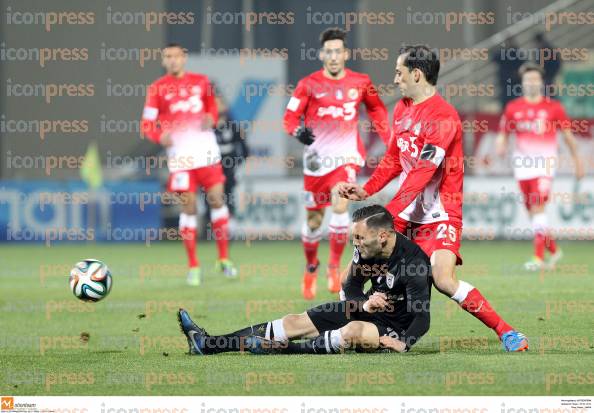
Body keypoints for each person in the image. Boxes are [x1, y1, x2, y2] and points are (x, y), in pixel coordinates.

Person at [338, 45, 528, 352]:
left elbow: (423, 173)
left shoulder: (443, 117)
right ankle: (345, 328)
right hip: (403, 216)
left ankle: (507, 331)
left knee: (443, 279)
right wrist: (367, 189)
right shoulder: (402, 108)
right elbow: (394, 159)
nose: (395, 78)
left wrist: (385, 214)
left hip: (439, 216)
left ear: (416, 74)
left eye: (399, 72)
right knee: (354, 272)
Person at [177, 205, 431, 355]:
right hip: (366, 311)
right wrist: (364, 305)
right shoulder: (366, 249)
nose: (356, 243)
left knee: (352, 331)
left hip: (392, 327)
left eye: (360, 238)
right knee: (293, 321)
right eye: (355, 237)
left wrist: (403, 343)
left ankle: (284, 350)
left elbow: (422, 317)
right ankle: (208, 344)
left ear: (383, 236)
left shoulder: (414, 264)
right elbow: (351, 285)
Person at [283, 27, 390, 300]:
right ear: (322, 54)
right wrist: (297, 132)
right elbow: (290, 118)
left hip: (346, 156)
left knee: (341, 204)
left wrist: (390, 139)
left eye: (337, 51)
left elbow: (376, 108)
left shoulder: (361, 81)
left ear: (345, 54)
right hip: (317, 162)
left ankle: (333, 267)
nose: (333, 57)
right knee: (314, 220)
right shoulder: (308, 84)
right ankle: (311, 267)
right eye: (328, 52)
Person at [141, 43, 238, 286]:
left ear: (184, 58)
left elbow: (214, 110)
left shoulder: (201, 82)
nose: (173, 60)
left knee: (216, 200)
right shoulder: (157, 88)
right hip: (181, 160)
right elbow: (147, 124)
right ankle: (193, 266)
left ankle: (224, 259)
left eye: (176, 56)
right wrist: (157, 136)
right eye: (168, 57)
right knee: (190, 208)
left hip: (206, 155)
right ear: (164, 61)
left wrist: (211, 118)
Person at [495, 62, 584, 271]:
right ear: (523, 83)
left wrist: (578, 162)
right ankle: (554, 250)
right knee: (533, 214)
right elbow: (503, 134)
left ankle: (538, 258)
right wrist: (500, 146)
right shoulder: (513, 108)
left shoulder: (554, 108)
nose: (532, 83)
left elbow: (569, 138)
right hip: (522, 167)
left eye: (535, 79)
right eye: (528, 80)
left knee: (538, 208)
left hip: (544, 166)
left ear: (542, 82)